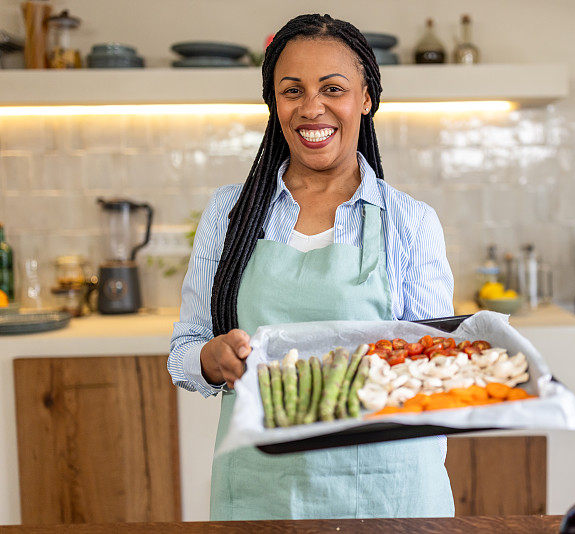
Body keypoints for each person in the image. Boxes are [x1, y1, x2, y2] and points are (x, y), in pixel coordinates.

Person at [168, 13, 455, 520]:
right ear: (274, 102)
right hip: (261, 493)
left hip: (389, 495)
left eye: (332, 88)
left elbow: (436, 374)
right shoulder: (231, 213)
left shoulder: (409, 222)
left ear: (366, 99)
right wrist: (211, 360)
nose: (311, 108)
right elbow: (185, 352)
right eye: (292, 91)